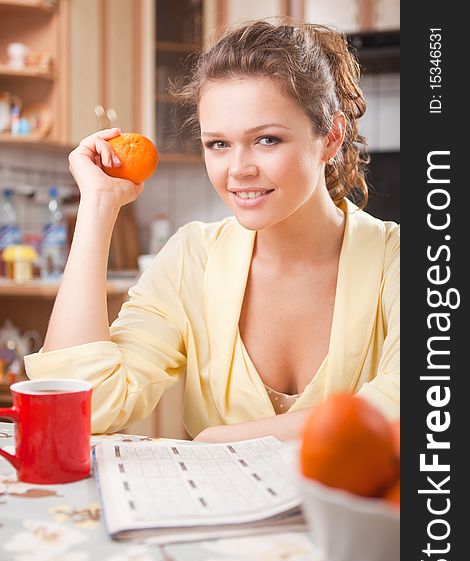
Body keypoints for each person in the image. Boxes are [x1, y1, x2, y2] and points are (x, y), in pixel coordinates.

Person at [25, 20, 399, 442]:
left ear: (330, 137)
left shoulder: (398, 260)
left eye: (268, 140)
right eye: (218, 144)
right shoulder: (192, 259)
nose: (238, 170)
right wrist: (98, 204)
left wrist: (215, 440)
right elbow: (85, 406)